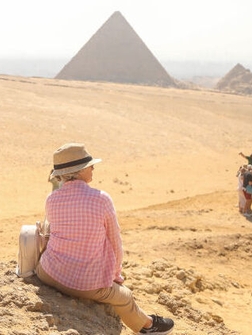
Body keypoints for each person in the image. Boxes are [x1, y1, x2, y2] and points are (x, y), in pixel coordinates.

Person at [37, 143, 175, 335]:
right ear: (79, 170)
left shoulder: (51, 199)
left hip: (47, 273)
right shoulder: (101, 199)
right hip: (84, 285)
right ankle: (148, 325)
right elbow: (115, 243)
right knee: (125, 297)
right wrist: (116, 276)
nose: (93, 168)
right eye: (90, 165)